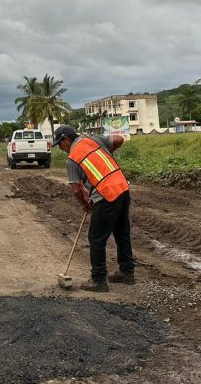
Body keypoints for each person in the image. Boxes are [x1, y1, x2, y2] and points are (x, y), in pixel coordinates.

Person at [52, 124, 134, 292]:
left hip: (106, 194)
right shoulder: (92, 139)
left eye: (59, 144)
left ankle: (98, 280)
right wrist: (106, 154)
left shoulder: (72, 158)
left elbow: (75, 189)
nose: (60, 149)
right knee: (122, 233)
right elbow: (119, 139)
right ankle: (127, 273)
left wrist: (84, 204)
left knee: (96, 238)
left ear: (66, 139)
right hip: (122, 187)